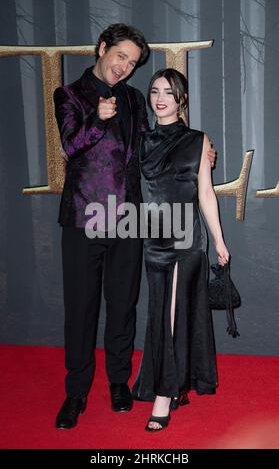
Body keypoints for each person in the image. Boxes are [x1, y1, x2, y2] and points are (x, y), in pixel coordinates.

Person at [53, 24, 217, 430]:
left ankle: (118, 382)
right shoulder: (69, 95)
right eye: (120, 56)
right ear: (103, 48)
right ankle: (76, 393)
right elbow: (70, 147)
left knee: (123, 306)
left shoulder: (131, 99)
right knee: (81, 309)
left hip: (128, 218)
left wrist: (198, 152)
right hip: (83, 217)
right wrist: (96, 117)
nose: (124, 67)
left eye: (132, 62)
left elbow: (152, 146)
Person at [132, 68, 229, 432]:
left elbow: (205, 193)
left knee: (170, 314)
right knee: (162, 313)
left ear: (182, 99)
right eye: (155, 91)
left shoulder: (198, 141)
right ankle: (172, 382)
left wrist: (219, 240)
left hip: (186, 239)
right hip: (152, 237)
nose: (160, 99)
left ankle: (164, 393)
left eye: (169, 93)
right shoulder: (140, 140)